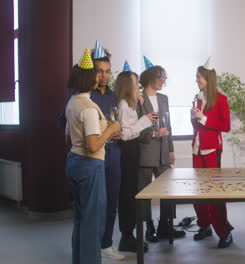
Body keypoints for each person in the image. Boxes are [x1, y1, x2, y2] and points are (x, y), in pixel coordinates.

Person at [65, 48, 121, 264]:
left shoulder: (73, 102)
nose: (101, 77)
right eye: (97, 74)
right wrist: (111, 128)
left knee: (80, 218)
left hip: (74, 161)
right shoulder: (89, 108)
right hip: (91, 165)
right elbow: (92, 145)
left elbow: (68, 138)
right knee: (92, 220)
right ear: (89, 78)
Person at [136, 63, 185, 242]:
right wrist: (153, 134)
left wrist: (171, 149)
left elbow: (168, 125)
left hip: (163, 151)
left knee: (168, 189)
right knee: (145, 192)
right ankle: (148, 227)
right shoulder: (138, 98)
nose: (163, 81)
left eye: (165, 77)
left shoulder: (164, 98)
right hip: (145, 150)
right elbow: (135, 126)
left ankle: (166, 226)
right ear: (150, 78)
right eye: (161, 77)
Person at [191, 57, 233, 248]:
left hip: (211, 150)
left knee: (214, 192)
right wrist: (194, 117)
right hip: (197, 149)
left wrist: (204, 118)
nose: (196, 79)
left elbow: (226, 126)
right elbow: (197, 124)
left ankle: (224, 231)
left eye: (199, 77)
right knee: (198, 191)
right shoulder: (197, 98)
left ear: (208, 78)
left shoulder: (221, 99)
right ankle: (204, 225)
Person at [89, 43, 125, 260]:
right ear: (92, 71)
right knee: (95, 202)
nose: (104, 75)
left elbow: (119, 122)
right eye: (100, 71)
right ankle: (91, 244)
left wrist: (119, 131)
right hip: (93, 156)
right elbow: (65, 123)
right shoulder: (83, 95)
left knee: (112, 200)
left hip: (114, 154)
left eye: (108, 71)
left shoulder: (114, 96)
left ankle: (107, 244)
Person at [115, 69, 156, 253]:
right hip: (127, 150)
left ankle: (129, 234)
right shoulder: (124, 105)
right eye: (135, 83)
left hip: (132, 150)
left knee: (132, 192)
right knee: (128, 193)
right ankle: (127, 236)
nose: (138, 86)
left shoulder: (129, 103)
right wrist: (144, 121)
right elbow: (125, 134)